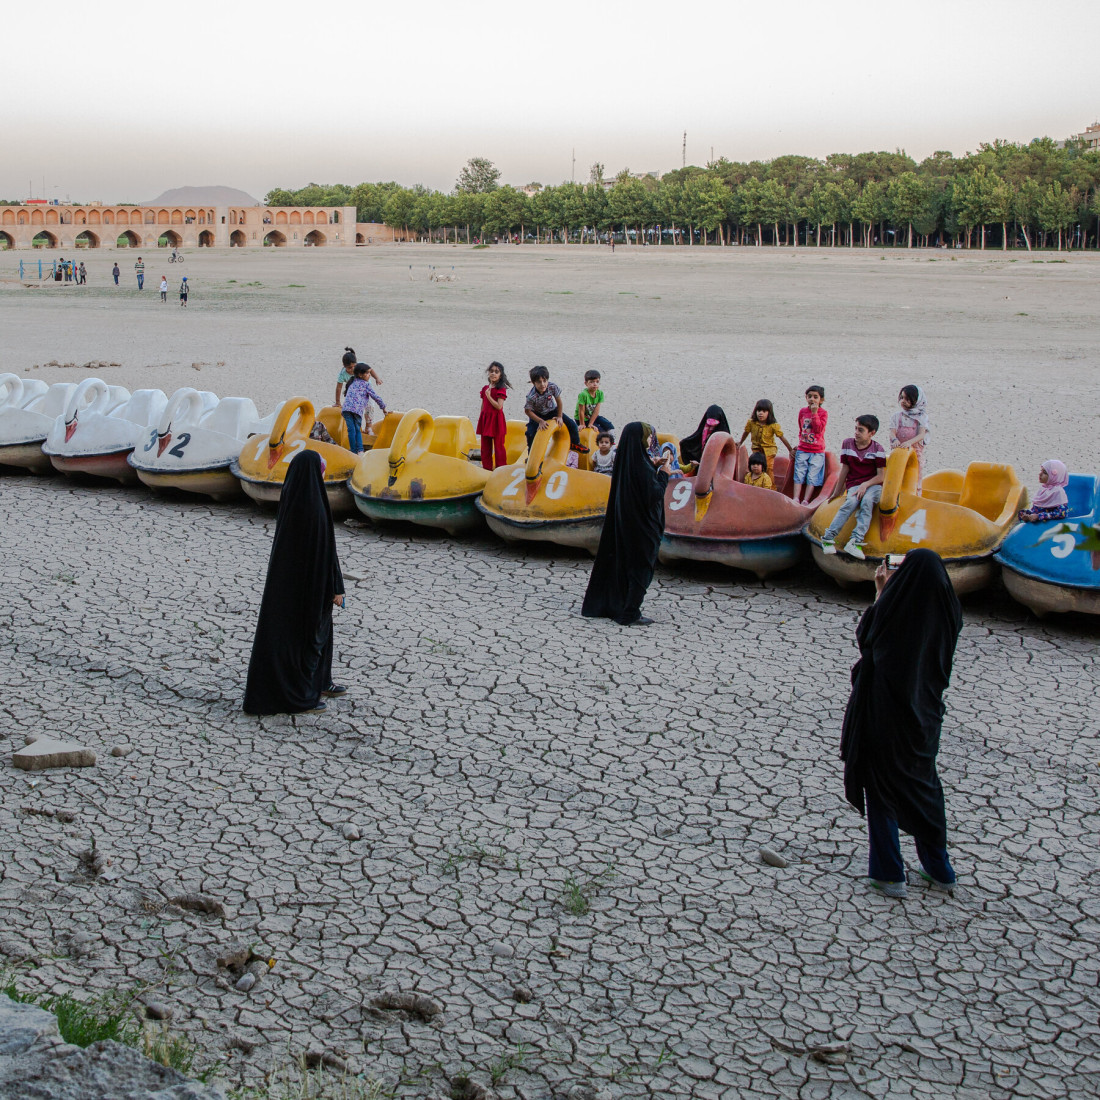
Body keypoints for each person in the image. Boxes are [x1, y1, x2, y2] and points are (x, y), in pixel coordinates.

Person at [840, 549, 963, 899]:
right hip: (925, 720)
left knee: (881, 789)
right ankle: (940, 869)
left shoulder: (896, 610)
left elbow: (869, 641)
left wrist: (881, 593)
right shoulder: (948, 612)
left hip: (886, 716)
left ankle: (889, 872)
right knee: (924, 791)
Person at [243, 451, 346, 716]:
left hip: (303, 587)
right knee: (307, 636)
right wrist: (334, 588)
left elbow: (326, 549)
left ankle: (320, 682)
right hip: (306, 590)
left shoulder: (299, 497)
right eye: (321, 469)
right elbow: (321, 552)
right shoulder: (310, 506)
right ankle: (299, 695)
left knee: (321, 633)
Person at [582, 423, 671, 626]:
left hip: (627, 526)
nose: (650, 441)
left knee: (628, 567)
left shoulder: (627, 462)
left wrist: (654, 466)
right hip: (643, 529)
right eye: (648, 437)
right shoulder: (641, 466)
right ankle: (630, 612)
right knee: (642, 569)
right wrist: (664, 474)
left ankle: (620, 605)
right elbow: (654, 494)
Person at [820, 415, 887, 560]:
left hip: (873, 485)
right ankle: (827, 538)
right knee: (850, 502)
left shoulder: (878, 449)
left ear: (872, 433)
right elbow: (845, 469)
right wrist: (837, 492)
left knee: (867, 501)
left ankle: (855, 542)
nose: (856, 432)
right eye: (856, 428)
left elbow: (881, 476)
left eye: (861, 430)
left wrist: (866, 484)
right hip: (854, 484)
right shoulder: (847, 444)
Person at [524, 366, 587, 453]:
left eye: (544, 381)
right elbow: (527, 411)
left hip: (552, 410)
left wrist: (559, 416)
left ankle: (575, 443)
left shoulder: (552, 387)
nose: (543, 384)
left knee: (572, 424)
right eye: (539, 382)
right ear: (533, 383)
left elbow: (559, 402)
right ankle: (531, 454)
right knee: (530, 434)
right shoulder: (531, 396)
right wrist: (540, 421)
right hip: (537, 414)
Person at [737, 399, 794, 481]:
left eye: (764, 411)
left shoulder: (773, 425)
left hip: (769, 451)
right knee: (755, 467)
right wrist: (740, 442)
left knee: (768, 468)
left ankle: (770, 487)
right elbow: (746, 432)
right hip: (756, 449)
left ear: (769, 413)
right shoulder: (751, 422)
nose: (761, 413)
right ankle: (755, 483)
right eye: (759, 410)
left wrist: (790, 450)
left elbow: (781, 437)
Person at [888, 385, 930, 491]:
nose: (903, 401)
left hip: (914, 453)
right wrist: (894, 440)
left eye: (907, 399)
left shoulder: (921, 417)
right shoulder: (897, 416)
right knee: (896, 476)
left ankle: (915, 495)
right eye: (902, 398)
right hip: (898, 452)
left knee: (915, 478)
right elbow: (892, 432)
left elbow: (921, 435)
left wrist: (909, 443)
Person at [792, 385, 828, 505]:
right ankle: (796, 498)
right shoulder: (802, 411)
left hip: (817, 450)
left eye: (815, 397)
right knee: (799, 473)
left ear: (821, 400)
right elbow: (800, 427)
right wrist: (800, 442)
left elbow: (818, 429)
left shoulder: (823, 413)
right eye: (809, 396)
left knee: (812, 476)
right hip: (803, 448)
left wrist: (814, 413)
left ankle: (806, 500)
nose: (812, 399)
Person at [476, 361, 510, 471]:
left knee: (499, 447)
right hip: (486, 419)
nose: (493, 374)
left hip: (496, 420)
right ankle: (487, 469)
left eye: (496, 372)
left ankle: (501, 470)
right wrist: (481, 418)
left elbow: (499, 407)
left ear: (500, 375)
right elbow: (483, 405)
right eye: (491, 371)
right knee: (485, 447)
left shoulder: (501, 389)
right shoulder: (485, 388)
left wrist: (489, 396)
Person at [678, 405, 731, 473]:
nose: (711, 426)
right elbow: (697, 438)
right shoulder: (704, 427)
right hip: (702, 460)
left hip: (717, 465)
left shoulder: (724, 432)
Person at [341, 364, 376, 454]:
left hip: (346, 410)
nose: (369, 375)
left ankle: (353, 451)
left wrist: (338, 402)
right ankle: (360, 450)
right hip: (356, 410)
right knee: (357, 429)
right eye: (368, 373)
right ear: (360, 375)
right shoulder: (366, 384)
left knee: (351, 430)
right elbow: (375, 397)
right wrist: (383, 407)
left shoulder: (352, 382)